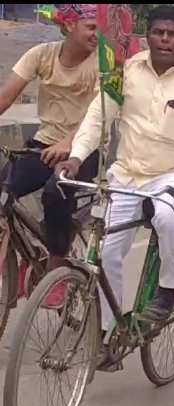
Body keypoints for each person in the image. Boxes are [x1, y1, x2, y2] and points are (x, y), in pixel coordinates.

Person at [57, 5, 174, 338]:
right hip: (127, 174)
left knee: (170, 218)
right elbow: (98, 117)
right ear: (147, 35)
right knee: (104, 251)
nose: (164, 39)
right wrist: (76, 156)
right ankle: (106, 331)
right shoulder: (124, 71)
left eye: (173, 34)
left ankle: (170, 290)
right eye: (158, 32)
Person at [0, 3, 99, 306]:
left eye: (101, 29)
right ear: (69, 25)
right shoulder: (41, 54)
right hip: (44, 144)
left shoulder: (104, 64)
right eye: (91, 27)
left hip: (84, 150)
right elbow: (7, 94)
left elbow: (97, 115)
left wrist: (69, 143)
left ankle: (56, 267)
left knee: (55, 192)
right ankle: (13, 259)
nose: (98, 35)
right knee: (4, 189)